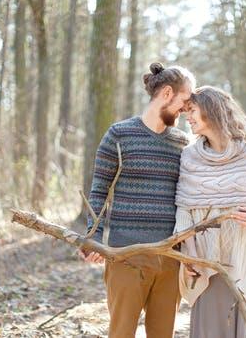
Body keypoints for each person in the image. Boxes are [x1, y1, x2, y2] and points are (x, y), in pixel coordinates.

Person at [79, 62, 196, 338]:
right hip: (125, 256)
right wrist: (92, 236)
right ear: (167, 93)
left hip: (169, 257)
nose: (186, 109)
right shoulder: (119, 135)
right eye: (184, 101)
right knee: (121, 333)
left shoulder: (183, 143)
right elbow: (98, 191)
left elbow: (191, 199)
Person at [174, 86, 246, 338]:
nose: (187, 117)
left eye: (192, 110)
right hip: (205, 262)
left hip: (243, 259)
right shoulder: (189, 157)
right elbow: (184, 210)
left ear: (212, 110)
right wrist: (188, 256)